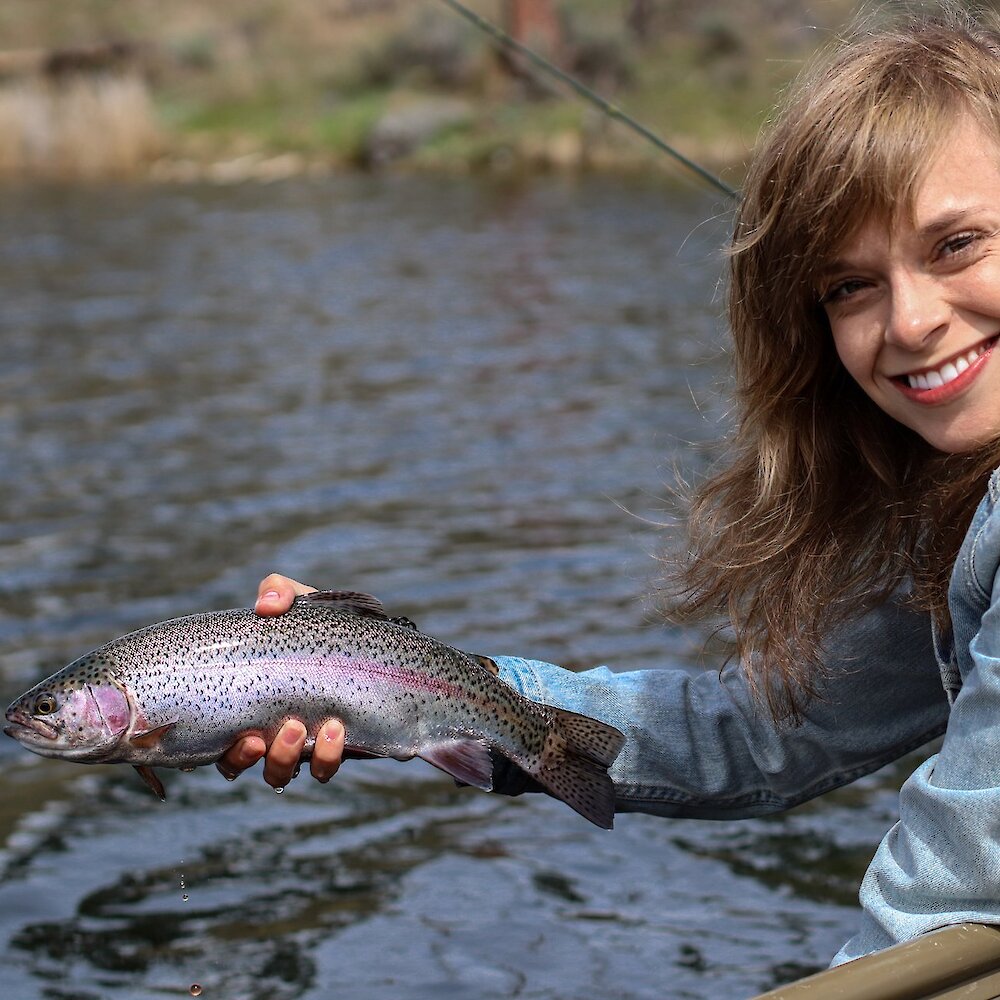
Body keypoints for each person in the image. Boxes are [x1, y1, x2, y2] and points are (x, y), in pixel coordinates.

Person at [217, 4, 1000, 965]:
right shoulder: (957, 512)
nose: (912, 320)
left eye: (956, 244)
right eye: (849, 286)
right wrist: (401, 681)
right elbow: (759, 735)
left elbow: (954, 884)